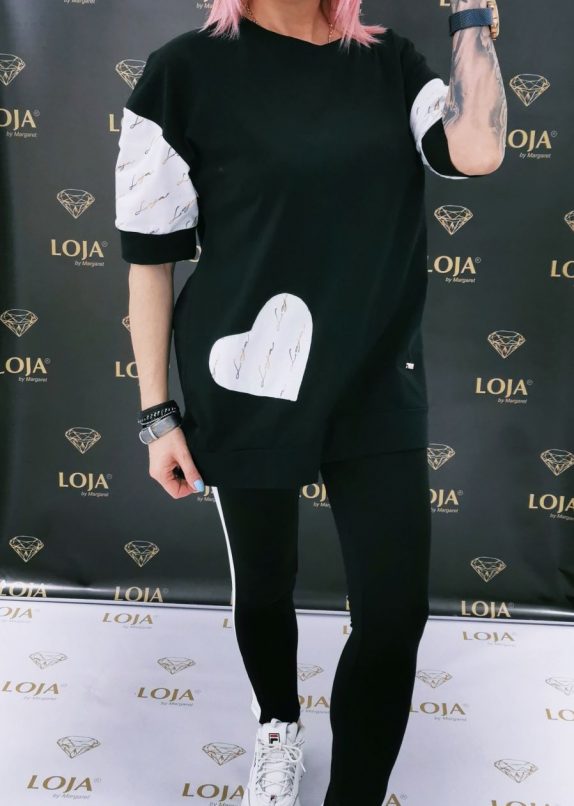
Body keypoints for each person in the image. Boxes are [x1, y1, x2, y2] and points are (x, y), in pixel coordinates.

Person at [114, 0, 505, 802]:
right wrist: (157, 415)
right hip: (248, 375)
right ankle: (277, 724)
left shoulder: (388, 62)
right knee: (265, 583)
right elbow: (150, 260)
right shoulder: (183, 73)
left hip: (374, 379)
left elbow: (477, 150)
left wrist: (471, 19)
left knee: (393, 617)